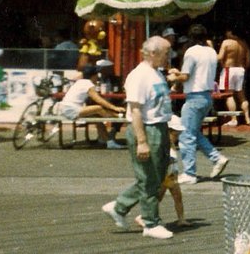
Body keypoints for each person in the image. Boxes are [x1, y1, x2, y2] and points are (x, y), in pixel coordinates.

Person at [101, 36, 176, 240]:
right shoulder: (138, 76)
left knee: (156, 177)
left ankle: (120, 206)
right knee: (148, 178)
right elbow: (135, 111)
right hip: (146, 129)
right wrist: (142, 142)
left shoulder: (157, 73)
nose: (169, 56)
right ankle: (151, 223)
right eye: (166, 52)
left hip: (160, 126)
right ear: (153, 53)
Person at [170, 24, 229, 185]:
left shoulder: (191, 52)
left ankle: (190, 173)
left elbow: (186, 76)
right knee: (194, 132)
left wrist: (174, 76)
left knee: (186, 134)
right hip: (207, 96)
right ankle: (216, 158)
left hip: (194, 96)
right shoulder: (211, 52)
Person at [135, 115, 191, 229]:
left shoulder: (171, 143)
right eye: (175, 134)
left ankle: (181, 219)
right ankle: (143, 216)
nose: (177, 137)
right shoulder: (161, 144)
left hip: (172, 173)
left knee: (177, 196)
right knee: (157, 197)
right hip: (164, 174)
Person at [56, 64, 127, 149]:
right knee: (98, 108)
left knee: (97, 117)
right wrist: (115, 108)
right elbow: (99, 100)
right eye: (97, 75)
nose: (98, 77)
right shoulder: (88, 84)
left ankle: (106, 140)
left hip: (66, 108)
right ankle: (119, 116)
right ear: (94, 75)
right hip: (70, 110)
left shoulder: (80, 82)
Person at [218, 29, 250, 126]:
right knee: (242, 95)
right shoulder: (244, 44)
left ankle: (234, 119)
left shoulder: (226, 42)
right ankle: (247, 118)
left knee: (229, 95)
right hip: (240, 70)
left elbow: (220, 57)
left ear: (231, 32)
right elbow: (248, 62)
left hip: (229, 69)